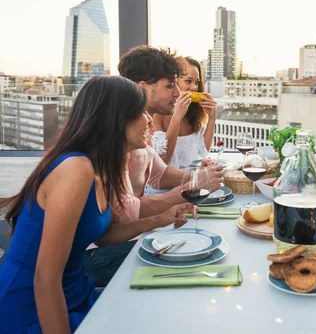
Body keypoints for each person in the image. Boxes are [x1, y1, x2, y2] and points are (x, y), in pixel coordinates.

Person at [0, 76, 193, 333]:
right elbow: (45, 280)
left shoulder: (103, 167)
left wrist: (160, 219)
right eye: (140, 112)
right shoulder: (75, 169)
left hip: (76, 292)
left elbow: (103, 237)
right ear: (116, 118)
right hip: (33, 308)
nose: (149, 120)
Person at [83, 46, 225, 287]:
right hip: (95, 254)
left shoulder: (141, 128)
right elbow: (122, 212)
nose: (178, 92)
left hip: (123, 236)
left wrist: (200, 177)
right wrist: (188, 189)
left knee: (200, 245)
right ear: (143, 88)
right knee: (199, 259)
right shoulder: (117, 137)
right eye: (170, 85)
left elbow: (161, 175)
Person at [152, 56, 218, 169]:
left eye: (196, 82)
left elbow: (203, 151)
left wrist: (212, 118)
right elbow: (162, 160)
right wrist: (177, 116)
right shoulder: (158, 113)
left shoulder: (194, 112)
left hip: (192, 180)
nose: (194, 87)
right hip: (167, 183)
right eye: (188, 81)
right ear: (173, 82)